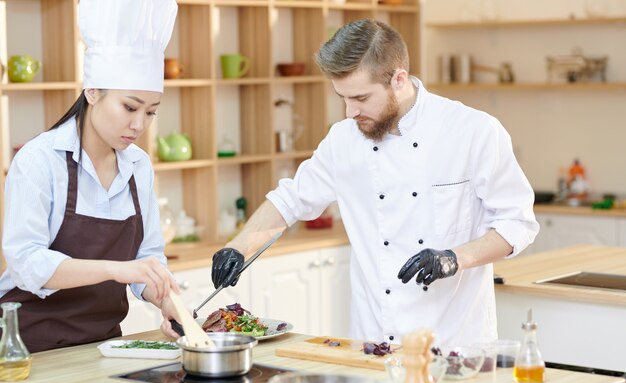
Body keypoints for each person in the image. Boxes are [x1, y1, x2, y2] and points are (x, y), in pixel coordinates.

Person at [207, 19, 539, 347]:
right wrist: (238, 247)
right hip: (373, 345)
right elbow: (291, 200)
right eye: (343, 98)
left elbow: (517, 223)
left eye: (361, 98)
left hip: (456, 346)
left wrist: (455, 258)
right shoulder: (343, 140)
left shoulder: (473, 131)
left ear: (399, 79)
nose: (350, 111)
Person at [0, 0, 181, 353]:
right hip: (30, 349)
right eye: (130, 107)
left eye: (151, 112)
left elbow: (149, 258)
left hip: (102, 348)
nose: (138, 125)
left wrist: (167, 301)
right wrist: (117, 269)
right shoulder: (39, 161)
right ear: (93, 92)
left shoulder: (138, 167)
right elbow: (27, 264)